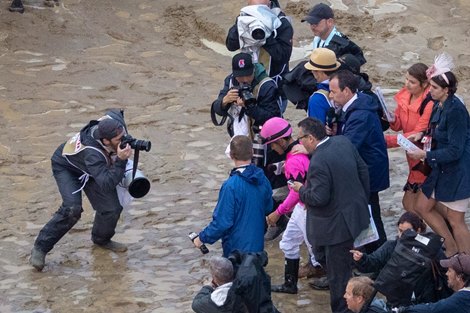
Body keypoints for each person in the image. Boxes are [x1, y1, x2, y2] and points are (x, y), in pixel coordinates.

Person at [29, 110, 133, 271]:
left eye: (123, 135)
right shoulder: (93, 153)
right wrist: (120, 160)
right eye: (119, 140)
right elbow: (106, 183)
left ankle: (101, 239)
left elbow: (115, 111)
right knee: (72, 209)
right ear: (105, 140)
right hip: (66, 167)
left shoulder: (115, 123)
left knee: (111, 208)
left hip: (93, 169)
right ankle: (40, 248)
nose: (123, 141)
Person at [291, 117, 370, 313]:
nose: (299, 143)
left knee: (337, 279)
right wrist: (360, 199)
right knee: (338, 266)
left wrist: (301, 190)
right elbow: (363, 171)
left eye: (300, 138)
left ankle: (344, 308)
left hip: (335, 228)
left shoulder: (318, 161)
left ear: (310, 138)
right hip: (354, 215)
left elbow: (318, 197)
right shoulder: (342, 141)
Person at [407, 53, 470, 256]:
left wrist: (426, 156)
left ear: (447, 90)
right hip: (442, 168)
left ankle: (466, 262)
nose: (430, 91)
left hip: (457, 171)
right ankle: (451, 247)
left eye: (434, 88)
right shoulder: (438, 104)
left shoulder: (456, 111)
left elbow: (455, 150)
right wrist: (421, 134)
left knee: (456, 219)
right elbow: (435, 131)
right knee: (422, 205)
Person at [260, 117, 324, 294]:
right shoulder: (300, 151)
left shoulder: (293, 161)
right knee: (288, 242)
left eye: (272, 144)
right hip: (304, 207)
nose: (272, 148)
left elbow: (296, 193)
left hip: (307, 209)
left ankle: (339, 285)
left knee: (317, 253)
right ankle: (290, 284)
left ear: (280, 141)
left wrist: (278, 213)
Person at [328, 70, 390, 254]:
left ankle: (379, 256)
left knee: (370, 215)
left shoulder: (360, 115)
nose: (330, 96)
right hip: (365, 170)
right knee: (368, 213)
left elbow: (348, 145)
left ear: (346, 91)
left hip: (368, 173)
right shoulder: (355, 108)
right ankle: (372, 254)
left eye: (333, 91)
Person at [192, 135, 273, 257]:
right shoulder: (263, 179)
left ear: (231, 155)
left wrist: (201, 238)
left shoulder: (230, 186)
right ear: (252, 152)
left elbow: (222, 223)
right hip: (258, 249)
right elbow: (268, 207)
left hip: (236, 252)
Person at [351, 212, 448, 305]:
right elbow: (373, 262)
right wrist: (361, 258)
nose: (402, 235)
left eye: (407, 232)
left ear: (418, 231)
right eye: (400, 231)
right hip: (398, 300)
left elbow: (445, 270)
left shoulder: (431, 250)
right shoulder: (391, 247)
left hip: (426, 299)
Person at [225, 0, 293, 113]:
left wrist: (265, 36)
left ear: (269, 4)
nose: (255, 12)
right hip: (246, 84)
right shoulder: (245, 19)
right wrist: (241, 24)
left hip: (273, 87)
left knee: (270, 127)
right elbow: (231, 45)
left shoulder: (281, 23)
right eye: (253, 8)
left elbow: (283, 57)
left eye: (260, 9)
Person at [385, 63, 434, 213]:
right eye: (406, 79)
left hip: (423, 156)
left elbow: (418, 133)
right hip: (412, 155)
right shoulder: (405, 95)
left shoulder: (430, 102)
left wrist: (385, 141)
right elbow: (398, 125)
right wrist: (391, 118)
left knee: (412, 205)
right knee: (414, 206)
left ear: (424, 84)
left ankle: (421, 232)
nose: (407, 84)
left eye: (412, 82)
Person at [211, 52, 281, 138]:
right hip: (237, 133)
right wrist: (224, 101)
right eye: (240, 77)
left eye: (248, 75)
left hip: (263, 135)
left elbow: (273, 117)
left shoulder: (266, 86)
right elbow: (218, 110)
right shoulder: (230, 81)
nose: (244, 80)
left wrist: (249, 107)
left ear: (253, 70)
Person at [396, 253, 470, 313]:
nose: (446, 273)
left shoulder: (461, 299)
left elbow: (432, 309)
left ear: (459, 276)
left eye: (450, 271)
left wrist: (403, 310)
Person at [301, 3, 366, 65]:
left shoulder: (340, 45)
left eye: (316, 23)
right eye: (310, 23)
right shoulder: (318, 38)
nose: (312, 27)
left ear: (329, 22)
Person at [304, 47, 340, 124]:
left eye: (312, 70)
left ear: (319, 72)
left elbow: (316, 132)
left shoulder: (317, 99)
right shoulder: (346, 86)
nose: (312, 72)